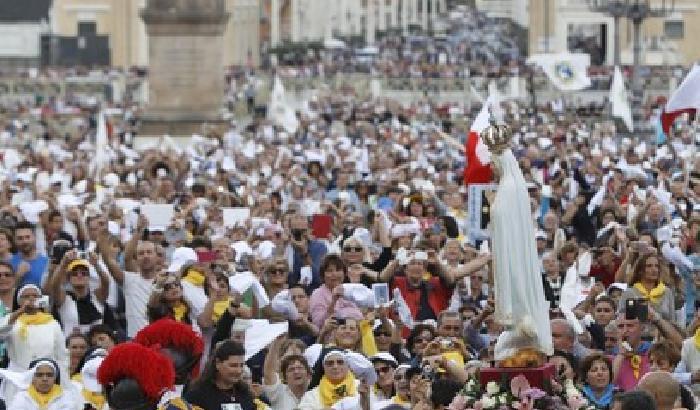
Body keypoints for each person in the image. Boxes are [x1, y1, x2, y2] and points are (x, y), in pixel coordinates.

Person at [0, 284, 67, 401]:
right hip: (18, 379)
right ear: (19, 301)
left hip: (45, 379)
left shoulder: (52, 323)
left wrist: (63, 380)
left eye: (35, 296)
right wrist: (20, 312)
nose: (31, 299)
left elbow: (61, 355)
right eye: (26, 296)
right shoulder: (12, 321)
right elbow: (2, 331)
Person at [185, 340, 256, 410]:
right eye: (233, 365)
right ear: (218, 363)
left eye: (241, 365)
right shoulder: (198, 395)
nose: (239, 371)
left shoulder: (246, 394)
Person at [6, 358, 81, 410]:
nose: (44, 379)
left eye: (49, 375)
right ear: (32, 378)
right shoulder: (22, 397)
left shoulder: (67, 397)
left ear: (54, 378)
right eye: (39, 375)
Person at [618, 254, 675, 321]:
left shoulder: (667, 292)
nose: (654, 270)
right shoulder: (629, 293)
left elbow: (672, 321)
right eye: (649, 266)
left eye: (656, 266)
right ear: (640, 271)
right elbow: (621, 319)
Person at [262, 337, 311, 410]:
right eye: (291, 369)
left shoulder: (316, 392)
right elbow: (269, 372)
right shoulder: (278, 391)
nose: (296, 372)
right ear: (284, 376)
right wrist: (276, 343)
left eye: (300, 368)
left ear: (308, 373)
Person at [11, 222, 48, 288]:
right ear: (14, 240)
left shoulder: (47, 262)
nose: (25, 241)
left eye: (28, 237)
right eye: (20, 238)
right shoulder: (8, 264)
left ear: (35, 237)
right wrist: (18, 276)